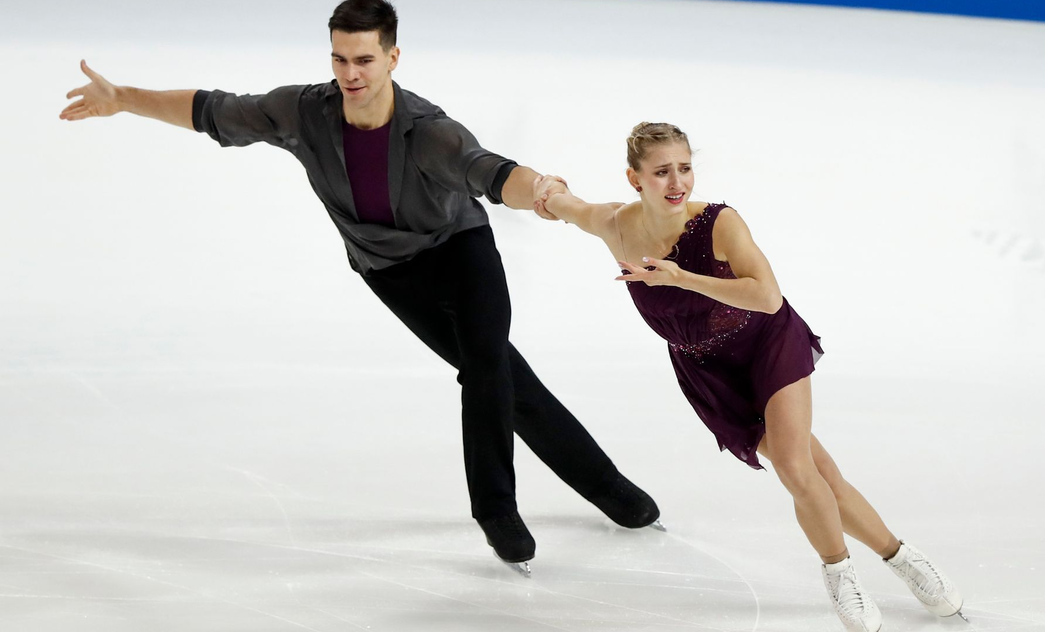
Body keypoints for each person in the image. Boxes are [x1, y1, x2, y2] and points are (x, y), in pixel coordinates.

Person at [58, 0, 663, 576]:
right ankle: (613, 492)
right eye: (340, 59)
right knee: (506, 377)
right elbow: (212, 110)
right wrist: (122, 99)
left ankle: (497, 510)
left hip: (462, 252)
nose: (351, 73)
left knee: (487, 366)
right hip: (391, 273)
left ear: (393, 58)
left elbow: (489, 170)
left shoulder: (428, 131)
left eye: (365, 59)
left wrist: (545, 194)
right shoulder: (303, 112)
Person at [534, 122, 966, 632]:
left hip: (765, 344)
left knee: (791, 463)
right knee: (818, 472)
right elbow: (564, 205)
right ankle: (903, 558)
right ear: (635, 178)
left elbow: (767, 298)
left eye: (686, 168)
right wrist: (545, 190)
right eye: (662, 171)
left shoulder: (720, 222)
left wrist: (680, 277)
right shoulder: (614, 225)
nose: (678, 182)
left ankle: (841, 576)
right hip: (709, 370)